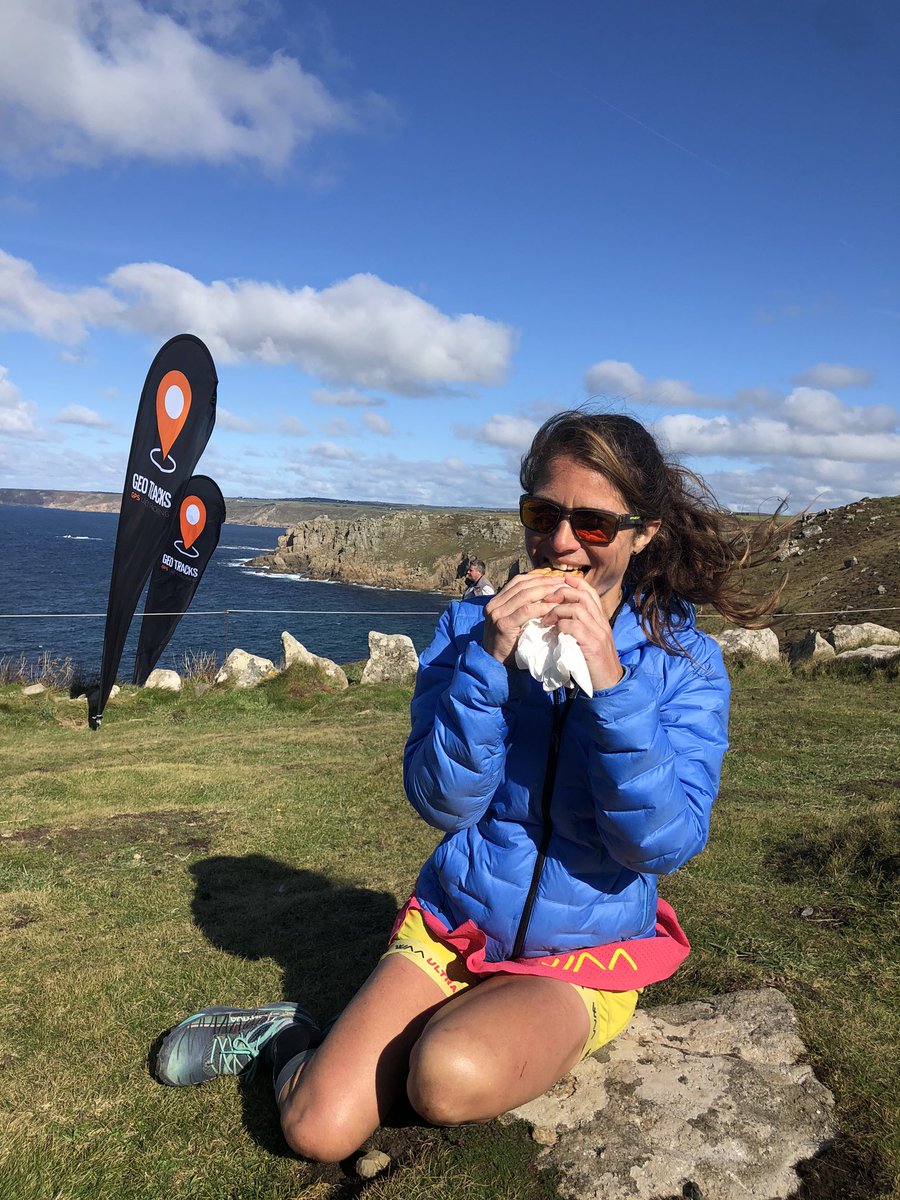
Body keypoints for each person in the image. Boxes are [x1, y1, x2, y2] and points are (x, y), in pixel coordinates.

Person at [154, 409, 788, 1164]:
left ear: (642, 532)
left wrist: (614, 691)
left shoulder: (683, 663)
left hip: (582, 953)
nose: (560, 542)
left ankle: (454, 1030)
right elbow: (441, 802)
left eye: (593, 523)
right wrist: (486, 663)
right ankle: (283, 1033)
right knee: (316, 1129)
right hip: (455, 924)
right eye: (542, 514)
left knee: (446, 1076)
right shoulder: (466, 631)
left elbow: (661, 843)